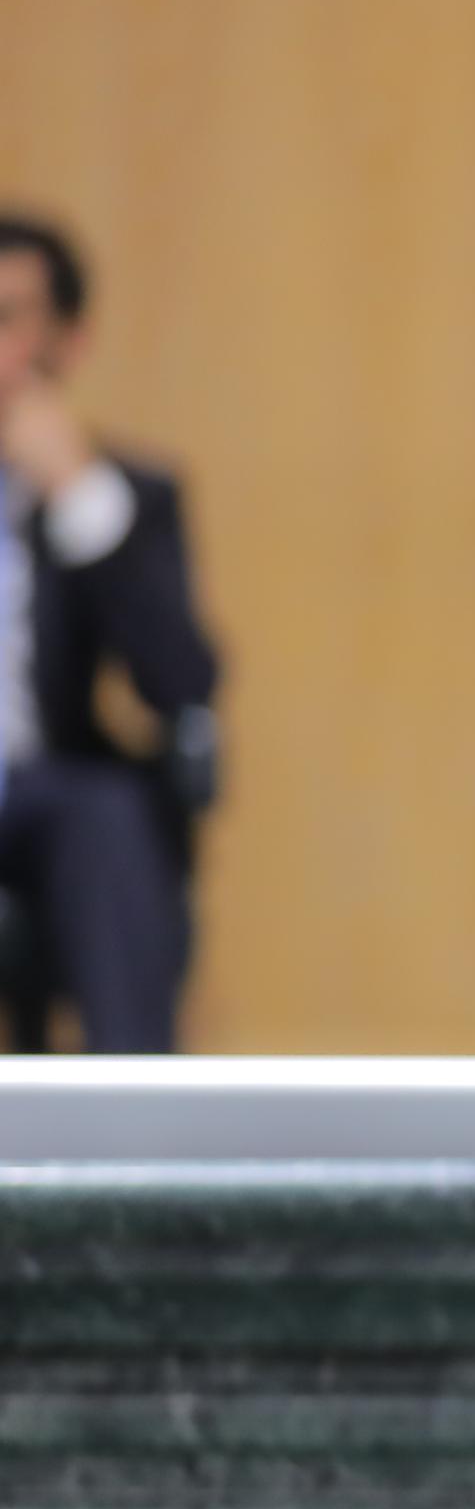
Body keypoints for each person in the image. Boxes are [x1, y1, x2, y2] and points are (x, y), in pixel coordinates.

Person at [0, 211, 223, 1054]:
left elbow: (182, 681)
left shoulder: (128, 495)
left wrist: (79, 500)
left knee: (109, 816)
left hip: (44, 791)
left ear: (69, 342)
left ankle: (141, 1121)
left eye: (6, 319)